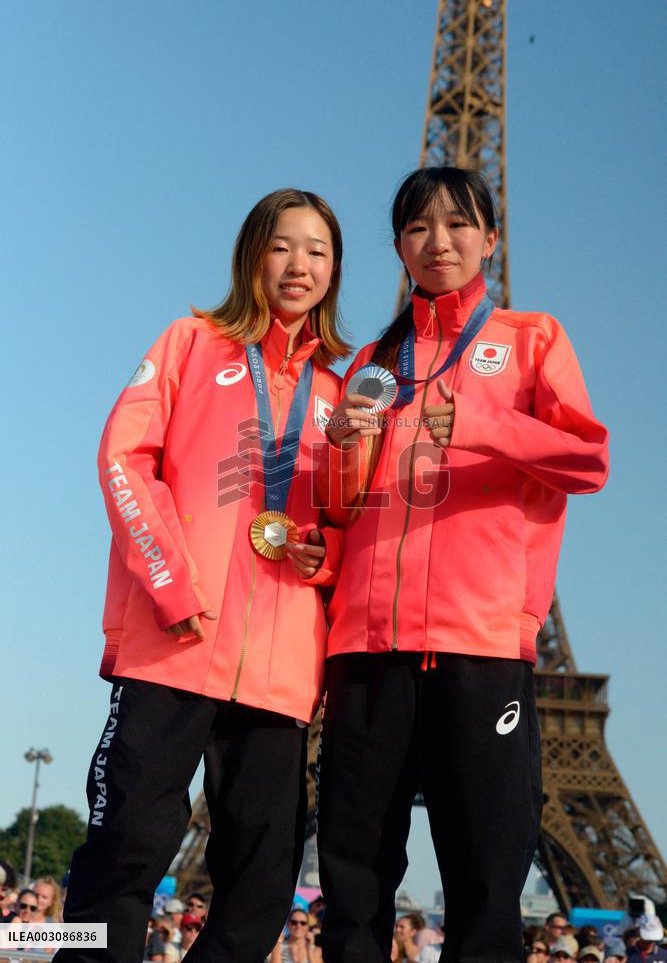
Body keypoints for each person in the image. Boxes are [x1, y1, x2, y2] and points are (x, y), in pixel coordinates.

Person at [316, 166, 609, 963]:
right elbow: (337, 504)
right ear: (398, 247)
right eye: (416, 228)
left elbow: (588, 458)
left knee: (485, 878)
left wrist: (479, 422)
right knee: (353, 875)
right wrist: (336, 456)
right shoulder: (370, 361)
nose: (437, 242)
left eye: (456, 224)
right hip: (366, 648)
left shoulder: (529, 339)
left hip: (478, 641)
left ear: (490, 236)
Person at [56, 188, 350, 963]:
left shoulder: (344, 395)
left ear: (335, 270)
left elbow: (354, 523)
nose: (299, 264)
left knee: (262, 878)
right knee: (124, 846)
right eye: (283, 245)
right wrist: (169, 583)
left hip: (280, 670)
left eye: (317, 251)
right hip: (175, 641)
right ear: (252, 253)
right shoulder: (190, 342)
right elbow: (122, 457)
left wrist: (327, 553)